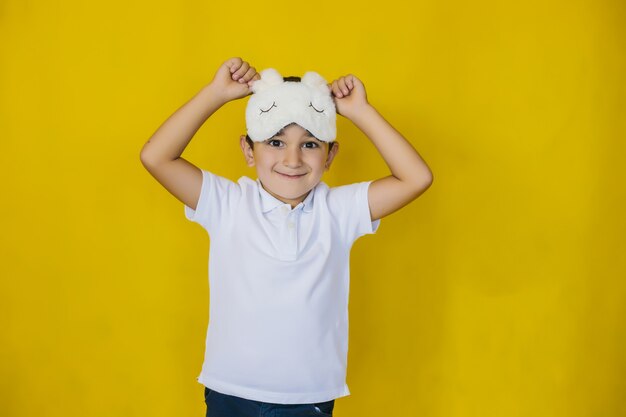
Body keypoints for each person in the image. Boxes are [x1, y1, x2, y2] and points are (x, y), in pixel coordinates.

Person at [140, 57, 433, 417]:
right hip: (230, 390)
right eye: (275, 142)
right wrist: (215, 94)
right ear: (248, 150)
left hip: (307, 396)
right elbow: (156, 156)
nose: (292, 159)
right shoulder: (227, 203)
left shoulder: (339, 211)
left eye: (310, 144)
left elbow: (416, 178)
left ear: (330, 156)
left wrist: (360, 112)